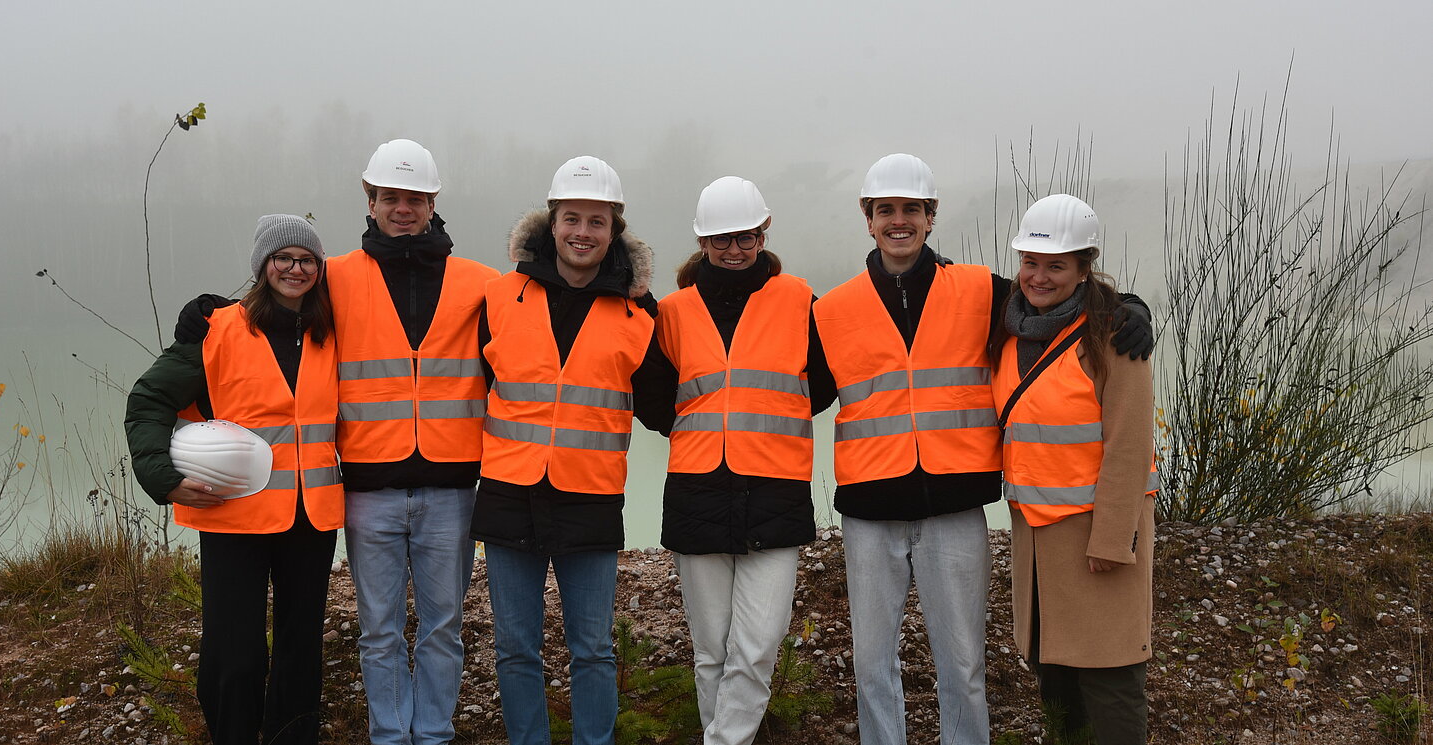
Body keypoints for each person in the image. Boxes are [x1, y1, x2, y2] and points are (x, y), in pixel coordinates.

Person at [811, 154, 1153, 745]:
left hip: (956, 505)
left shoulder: (979, 291)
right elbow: (786, 389)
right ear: (868, 219)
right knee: (872, 666)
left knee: (965, 665)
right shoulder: (830, 309)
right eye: (885, 210)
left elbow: (1061, 303)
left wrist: (1131, 309)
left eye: (911, 210)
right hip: (869, 509)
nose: (899, 222)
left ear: (930, 216)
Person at [175, 138, 498, 745]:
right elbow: (272, 303)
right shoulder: (336, 277)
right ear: (370, 201)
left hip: (452, 486)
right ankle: (386, 735)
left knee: (444, 627)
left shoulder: (481, 283)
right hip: (368, 488)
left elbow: (535, 324)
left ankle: (432, 734)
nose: (402, 208)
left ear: (433, 204)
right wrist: (209, 314)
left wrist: (625, 291)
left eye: (415, 198)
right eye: (389, 197)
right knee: (376, 629)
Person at [470, 156, 668, 745]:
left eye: (597, 221)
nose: (583, 232)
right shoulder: (500, 297)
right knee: (513, 648)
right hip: (509, 493)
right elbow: (467, 386)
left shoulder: (641, 311)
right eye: (572, 218)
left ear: (615, 230)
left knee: (592, 649)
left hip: (591, 495)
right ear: (551, 223)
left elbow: (664, 405)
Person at [127, 214, 341, 745]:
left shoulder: (330, 331)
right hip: (233, 518)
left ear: (319, 268)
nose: (295, 268)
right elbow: (149, 400)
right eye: (283, 258)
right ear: (262, 265)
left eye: (307, 259)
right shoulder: (218, 330)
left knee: (300, 650)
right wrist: (163, 477)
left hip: (309, 517)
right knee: (235, 652)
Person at [646, 176, 836, 745]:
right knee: (711, 650)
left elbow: (823, 386)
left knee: (755, 647)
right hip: (698, 490)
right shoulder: (672, 312)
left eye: (745, 237)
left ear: (763, 233)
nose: (734, 250)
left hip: (775, 488)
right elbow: (654, 400)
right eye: (722, 239)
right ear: (702, 242)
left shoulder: (801, 300)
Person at [992, 194, 1156, 745]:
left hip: (1097, 539)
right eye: (1031, 263)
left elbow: (1129, 447)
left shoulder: (1114, 335)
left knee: (1110, 676)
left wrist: (1113, 540)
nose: (1039, 277)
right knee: (1055, 674)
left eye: (1057, 265)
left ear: (1085, 269)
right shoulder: (1008, 330)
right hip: (1036, 539)